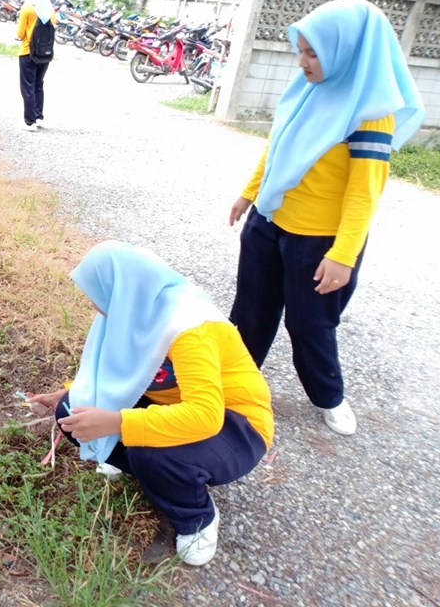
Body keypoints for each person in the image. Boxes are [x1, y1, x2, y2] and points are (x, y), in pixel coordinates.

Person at [228, 0, 424, 436]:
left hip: (318, 242)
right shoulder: (306, 91)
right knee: (250, 312)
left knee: (309, 323)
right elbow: (276, 147)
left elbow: (364, 191)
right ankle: (233, 381)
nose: (302, 62)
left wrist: (344, 255)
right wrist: (248, 194)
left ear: (346, 51)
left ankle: (328, 396)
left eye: (313, 53)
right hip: (267, 222)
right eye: (301, 50)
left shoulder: (371, 114)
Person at [28, 241, 274, 567]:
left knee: (150, 453)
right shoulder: (135, 310)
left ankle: (197, 518)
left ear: (124, 289)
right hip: (174, 405)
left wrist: (117, 423)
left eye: (98, 294)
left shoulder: (190, 326)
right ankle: (150, 468)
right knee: (72, 411)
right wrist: (69, 393)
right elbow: (118, 371)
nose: (95, 305)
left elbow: (206, 415)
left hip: (237, 425)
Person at [16, 0, 56, 131]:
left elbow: (20, 33)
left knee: (28, 86)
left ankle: (29, 121)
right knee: (39, 84)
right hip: (45, 54)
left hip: (28, 52)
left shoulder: (27, 9)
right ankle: (39, 117)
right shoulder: (50, 10)